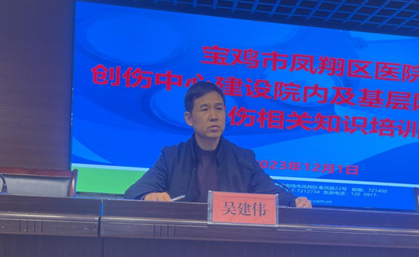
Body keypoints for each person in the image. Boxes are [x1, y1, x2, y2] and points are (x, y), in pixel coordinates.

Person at [124, 81, 312, 208]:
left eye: (219, 109)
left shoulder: (244, 159)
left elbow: (272, 192)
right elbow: (134, 191)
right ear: (189, 118)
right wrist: (149, 196)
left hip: (230, 242)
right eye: (205, 109)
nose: (214, 116)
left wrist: (295, 202)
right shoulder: (172, 157)